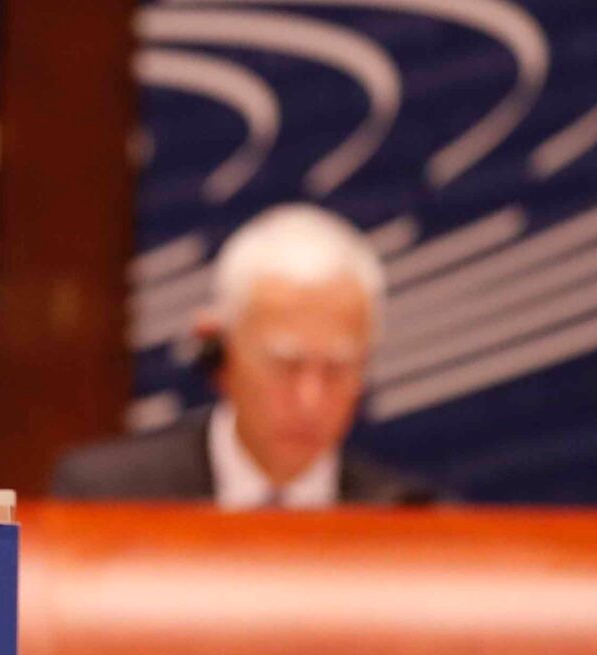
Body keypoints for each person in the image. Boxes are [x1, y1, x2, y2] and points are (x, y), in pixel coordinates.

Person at [52, 204, 440, 507]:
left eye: (337, 370)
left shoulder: (412, 523)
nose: (310, 400)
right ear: (219, 353)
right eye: (285, 366)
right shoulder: (107, 499)